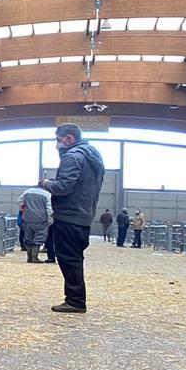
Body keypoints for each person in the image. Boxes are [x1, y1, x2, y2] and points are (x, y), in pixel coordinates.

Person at [39, 123, 105, 313]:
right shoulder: (93, 156)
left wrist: (46, 183)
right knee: (75, 257)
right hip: (84, 214)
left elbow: (64, 187)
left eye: (58, 140)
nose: (56, 145)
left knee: (68, 258)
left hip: (69, 214)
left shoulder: (73, 156)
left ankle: (75, 300)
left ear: (69, 139)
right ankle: (75, 298)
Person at [18, 185, 53, 263]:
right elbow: (49, 209)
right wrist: (50, 220)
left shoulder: (27, 192)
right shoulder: (47, 194)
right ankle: (34, 257)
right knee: (39, 237)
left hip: (27, 218)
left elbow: (20, 201)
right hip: (41, 219)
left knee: (28, 238)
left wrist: (24, 210)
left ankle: (29, 257)